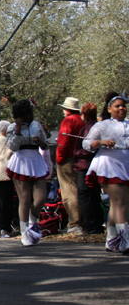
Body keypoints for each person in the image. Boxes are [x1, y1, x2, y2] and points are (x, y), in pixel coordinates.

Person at [83, 92, 129, 253]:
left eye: (123, 106)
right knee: (121, 201)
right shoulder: (102, 125)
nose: (122, 108)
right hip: (108, 164)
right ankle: (125, 240)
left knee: (118, 203)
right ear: (109, 109)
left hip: (125, 165)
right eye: (118, 106)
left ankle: (111, 240)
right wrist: (102, 142)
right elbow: (86, 144)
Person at [6, 99, 48, 247]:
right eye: (27, 113)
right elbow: (13, 146)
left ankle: (32, 219)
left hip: (36, 160)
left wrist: (41, 143)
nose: (30, 115)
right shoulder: (12, 127)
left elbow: (46, 143)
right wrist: (17, 129)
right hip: (20, 161)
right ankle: (25, 232)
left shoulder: (36, 125)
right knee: (25, 198)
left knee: (41, 198)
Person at [56, 97, 85, 234]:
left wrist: (59, 159)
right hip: (80, 159)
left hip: (67, 159)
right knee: (79, 190)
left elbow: (63, 141)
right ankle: (82, 221)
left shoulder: (68, 120)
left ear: (67, 110)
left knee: (69, 192)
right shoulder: (82, 121)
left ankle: (74, 222)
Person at [74, 103, 103, 235]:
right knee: (95, 195)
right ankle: (97, 225)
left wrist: (77, 153)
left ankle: (92, 226)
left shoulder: (88, 129)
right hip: (96, 164)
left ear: (84, 114)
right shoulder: (98, 127)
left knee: (85, 195)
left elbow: (87, 149)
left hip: (86, 165)